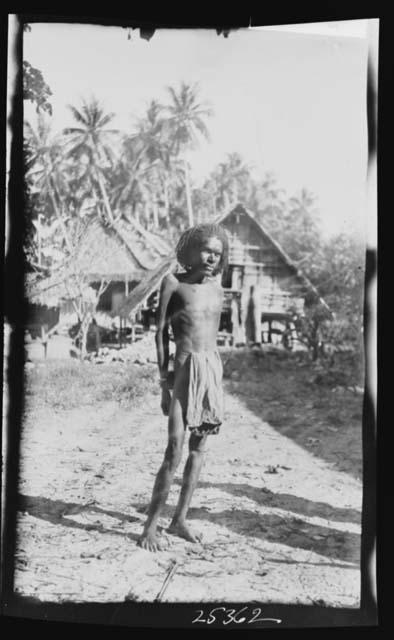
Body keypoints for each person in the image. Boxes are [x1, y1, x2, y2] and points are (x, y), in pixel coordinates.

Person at [137, 223, 229, 552]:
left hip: (210, 368)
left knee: (198, 450)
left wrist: (213, 379)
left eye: (217, 254)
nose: (211, 258)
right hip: (183, 367)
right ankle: (150, 526)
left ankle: (179, 520)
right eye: (206, 251)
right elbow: (160, 334)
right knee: (173, 449)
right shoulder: (172, 283)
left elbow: (213, 335)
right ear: (190, 251)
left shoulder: (218, 288)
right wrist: (164, 382)